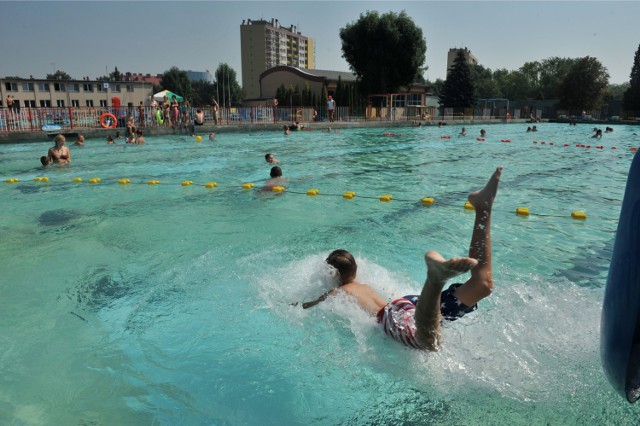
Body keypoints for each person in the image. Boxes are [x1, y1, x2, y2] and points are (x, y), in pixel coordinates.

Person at [297, 167, 503, 351]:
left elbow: (313, 304)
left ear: (333, 273)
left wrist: (298, 305)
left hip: (391, 318)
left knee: (429, 342)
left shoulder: (339, 291)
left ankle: (435, 279)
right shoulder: (364, 285)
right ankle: (483, 208)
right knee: (482, 285)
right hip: (404, 304)